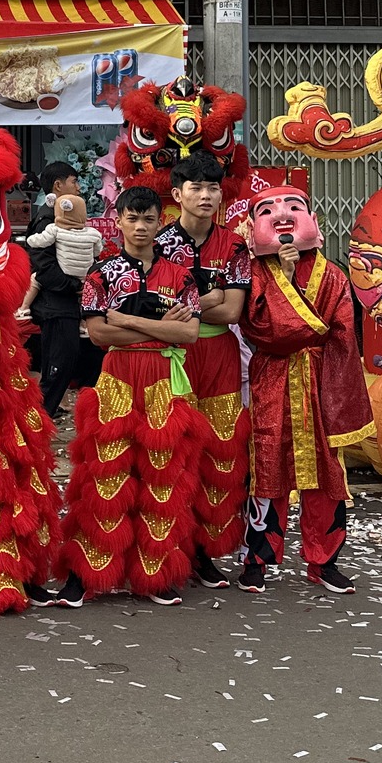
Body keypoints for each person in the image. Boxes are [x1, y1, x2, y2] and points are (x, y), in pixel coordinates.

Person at [56, 184, 209, 606]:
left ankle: (154, 577)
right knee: (105, 473)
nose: (140, 226)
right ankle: (84, 574)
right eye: (132, 218)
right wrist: (161, 329)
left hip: (162, 380)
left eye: (148, 219)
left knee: (161, 475)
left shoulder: (181, 276)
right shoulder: (100, 274)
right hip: (117, 378)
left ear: (160, 223)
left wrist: (126, 320)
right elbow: (98, 334)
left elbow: (190, 334)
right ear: (118, 221)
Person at [237, 180, 377, 596]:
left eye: (293, 207)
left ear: (312, 219)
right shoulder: (253, 273)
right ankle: (257, 560)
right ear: (253, 226)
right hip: (272, 379)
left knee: (327, 474)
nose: (282, 216)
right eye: (268, 211)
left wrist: (339, 392)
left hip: (320, 381)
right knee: (267, 469)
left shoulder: (332, 275)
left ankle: (324, 561)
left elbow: (343, 336)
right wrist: (282, 276)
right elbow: (262, 329)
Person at [154, 153, 252, 587]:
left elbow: (232, 312)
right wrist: (210, 296)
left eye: (213, 187)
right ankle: (168, 548)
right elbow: (155, 311)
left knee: (219, 451)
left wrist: (189, 304)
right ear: (178, 195)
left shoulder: (234, 246)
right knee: (170, 452)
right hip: (171, 356)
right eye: (196, 187)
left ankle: (205, 552)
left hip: (220, 358)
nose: (206, 195)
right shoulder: (158, 244)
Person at [23, 159, 103, 412]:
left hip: (63, 303)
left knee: (61, 362)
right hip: (56, 304)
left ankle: (45, 411)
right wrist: (74, 285)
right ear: (58, 186)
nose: (78, 187)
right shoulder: (49, 221)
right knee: (59, 363)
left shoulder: (64, 219)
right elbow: (43, 265)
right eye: (74, 181)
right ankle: (41, 416)